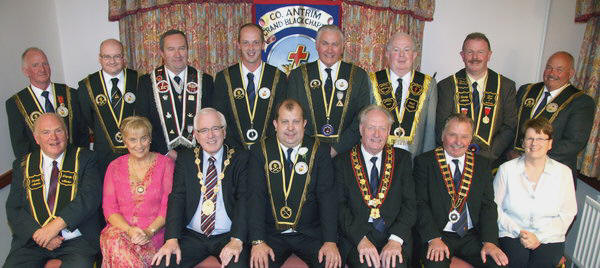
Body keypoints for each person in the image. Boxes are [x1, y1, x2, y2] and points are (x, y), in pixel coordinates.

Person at [248, 98, 341, 268]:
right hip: (271, 235)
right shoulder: (259, 151)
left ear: (304, 123)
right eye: (285, 122)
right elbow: (255, 197)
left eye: (296, 122)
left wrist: (330, 241)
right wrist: (258, 240)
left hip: (310, 234)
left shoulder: (319, 150)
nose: (290, 128)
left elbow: (327, 197)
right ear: (275, 124)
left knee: (332, 265)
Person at [151, 108, 249, 268]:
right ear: (196, 135)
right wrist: (171, 239)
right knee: (162, 265)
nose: (210, 135)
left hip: (228, 236)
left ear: (224, 132)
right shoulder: (186, 158)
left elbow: (244, 200)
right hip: (192, 236)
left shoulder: (240, 158)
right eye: (203, 130)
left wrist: (237, 240)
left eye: (215, 128)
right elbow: (177, 198)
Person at [5, 113, 102, 267]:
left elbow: (89, 198)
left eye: (58, 131)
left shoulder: (85, 158)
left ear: (67, 134)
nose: (53, 137)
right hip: (34, 243)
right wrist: (40, 235)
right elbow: (14, 208)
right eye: (46, 132)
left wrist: (54, 227)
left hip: (76, 241)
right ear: (36, 138)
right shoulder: (23, 165)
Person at [414, 113, 508, 267]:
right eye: (452, 135)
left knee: (496, 264)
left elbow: (488, 206)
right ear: (443, 135)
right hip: (439, 234)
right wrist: (433, 238)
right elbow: (420, 204)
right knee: (435, 264)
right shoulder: (425, 162)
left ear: (471, 139)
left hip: (471, 236)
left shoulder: (482, 165)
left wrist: (490, 242)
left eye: (464, 136)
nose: (458, 142)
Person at [336, 105, 416, 268]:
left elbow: (410, 205)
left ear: (389, 131)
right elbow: (339, 207)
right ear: (361, 129)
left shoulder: (403, 159)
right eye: (371, 128)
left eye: (382, 128)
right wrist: (360, 239)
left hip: (394, 235)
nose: (377, 134)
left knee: (396, 265)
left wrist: (395, 240)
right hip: (357, 238)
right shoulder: (342, 162)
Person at [494, 118, 577, 267]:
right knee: (515, 261)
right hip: (512, 232)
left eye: (540, 139)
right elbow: (495, 207)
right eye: (530, 138)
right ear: (523, 142)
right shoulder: (506, 170)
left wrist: (538, 237)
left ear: (550, 143)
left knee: (542, 263)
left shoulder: (563, 173)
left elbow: (568, 212)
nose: (534, 143)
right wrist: (519, 231)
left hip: (549, 235)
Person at [99, 116, 174, 267]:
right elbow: (109, 208)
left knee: (118, 247)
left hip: (155, 233)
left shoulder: (166, 164)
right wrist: (129, 230)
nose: (139, 145)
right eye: (133, 139)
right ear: (124, 141)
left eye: (143, 138)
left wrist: (149, 231)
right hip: (121, 231)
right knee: (115, 241)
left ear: (150, 139)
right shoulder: (114, 166)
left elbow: (169, 205)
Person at [288, 25, 370, 157]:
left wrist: (337, 148)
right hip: (306, 152)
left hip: (346, 154)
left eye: (335, 44)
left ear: (343, 47)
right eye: (325, 43)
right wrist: (312, 147)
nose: (330, 50)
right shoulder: (298, 75)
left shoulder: (358, 76)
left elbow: (362, 118)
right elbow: (292, 116)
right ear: (316, 45)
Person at [509, 51, 595, 176]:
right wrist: (509, 152)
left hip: (551, 172)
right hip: (513, 164)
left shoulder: (581, 102)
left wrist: (528, 158)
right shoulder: (526, 90)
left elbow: (573, 143)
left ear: (571, 73)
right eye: (549, 67)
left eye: (559, 70)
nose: (552, 73)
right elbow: (510, 124)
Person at [435, 33, 517, 165]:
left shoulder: (506, 86)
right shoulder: (447, 86)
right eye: (470, 52)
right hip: (454, 159)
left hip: (492, 161)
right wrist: (458, 152)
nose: (475, 57)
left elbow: (509, 126)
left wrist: (490, 155)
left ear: (489, 55)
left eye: (480, 52)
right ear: (462, 55)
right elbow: (441, 126)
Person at [136, 29, 214, 160]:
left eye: (182, 48)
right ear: (162, 52)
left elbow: (211, 121)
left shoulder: (205, 80)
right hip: (160, 157)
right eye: (171, 49)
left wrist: (199, 153)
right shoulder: (147, 82)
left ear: (188, 50)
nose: (177, 54)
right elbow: (143, 123)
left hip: (199, 157)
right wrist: (166, 152)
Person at [213, 23, 287, 149]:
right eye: (246, 43)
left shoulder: (278, 77)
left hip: (269, 152)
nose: (251, 48)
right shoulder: (224, 78)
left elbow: (281, 117)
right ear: (239, 45)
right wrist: (236, 151)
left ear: (263, 45)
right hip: (233, 153)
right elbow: (220, 120)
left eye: (256, 42)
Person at [6, 47, 88, 159]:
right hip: (40, 168)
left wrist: (82, 161)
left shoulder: (70, 94)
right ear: (25, 71)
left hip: (74, 162)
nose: (42, 69)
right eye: (35, 65)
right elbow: (20, 145)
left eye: (45, 64)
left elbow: (83, 133)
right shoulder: (16, 103)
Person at [370, 32, 437, 158]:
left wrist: (426, 161)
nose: (401, 55)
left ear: (414, 55)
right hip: (377, 157)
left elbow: (430, 128)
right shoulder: (373, 81)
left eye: (407, 50)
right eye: (396, 50)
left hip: (413, 159)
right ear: (387, 54)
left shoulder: (428, 84)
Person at [77, 39, 140, 171]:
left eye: (117, 56)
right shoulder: (87, 85)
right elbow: (87, 119)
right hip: (104, 156)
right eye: (107, 57)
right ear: (100, 58)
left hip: (138, 152)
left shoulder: (138, 79)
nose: (112, 61)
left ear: (123, 58)